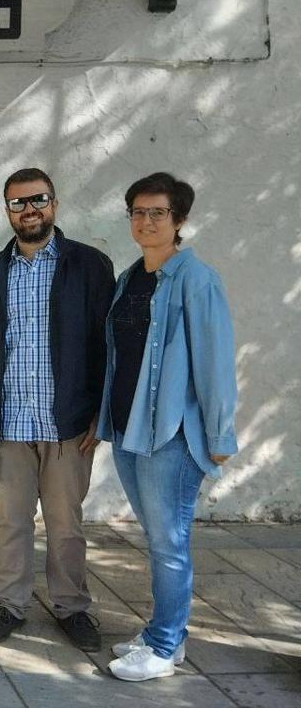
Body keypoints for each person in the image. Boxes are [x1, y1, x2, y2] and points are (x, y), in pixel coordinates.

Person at [0, 168, 115, 650]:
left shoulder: (89, 266)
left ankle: (71, 606)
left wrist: (100, 412)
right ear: (7, 212)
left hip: (68, 423)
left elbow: (106, 345)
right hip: (9, 421)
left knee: (67, 525)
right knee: (12, 521)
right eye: (18, 203)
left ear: (54, 204)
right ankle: (10, 604)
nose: (29, 210)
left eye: (37, 200)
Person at [99, 173, 238, 682]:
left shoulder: (197, 280)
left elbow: (216, 365)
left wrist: (220, 437)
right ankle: (165, 632)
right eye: (137, 211)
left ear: (179, 219)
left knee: (168, 541)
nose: (145, 221)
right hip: (130, 428)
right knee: (157, 538)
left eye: (157, 212)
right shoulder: (132, 277)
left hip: (171, 436)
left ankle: (163, 646)